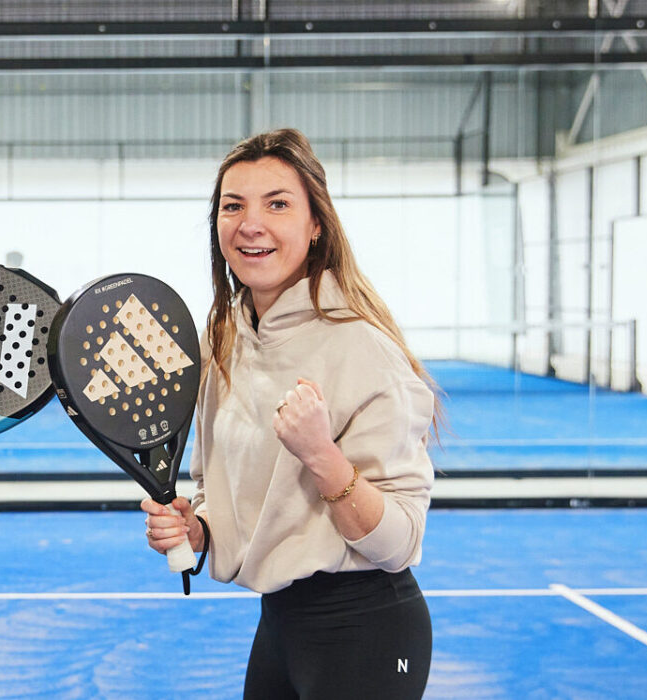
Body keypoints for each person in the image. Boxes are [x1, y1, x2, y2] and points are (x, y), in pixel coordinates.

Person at [142, 128, 440, 699]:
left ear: (316, 224)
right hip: (280, 624)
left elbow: (399, 542)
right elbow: (217, 486)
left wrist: (323, 458)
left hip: (368, 629)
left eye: (277, 203)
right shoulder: (223, 338)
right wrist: (198, 528)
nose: (250, 224)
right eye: (234, 206)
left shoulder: (364, 348)